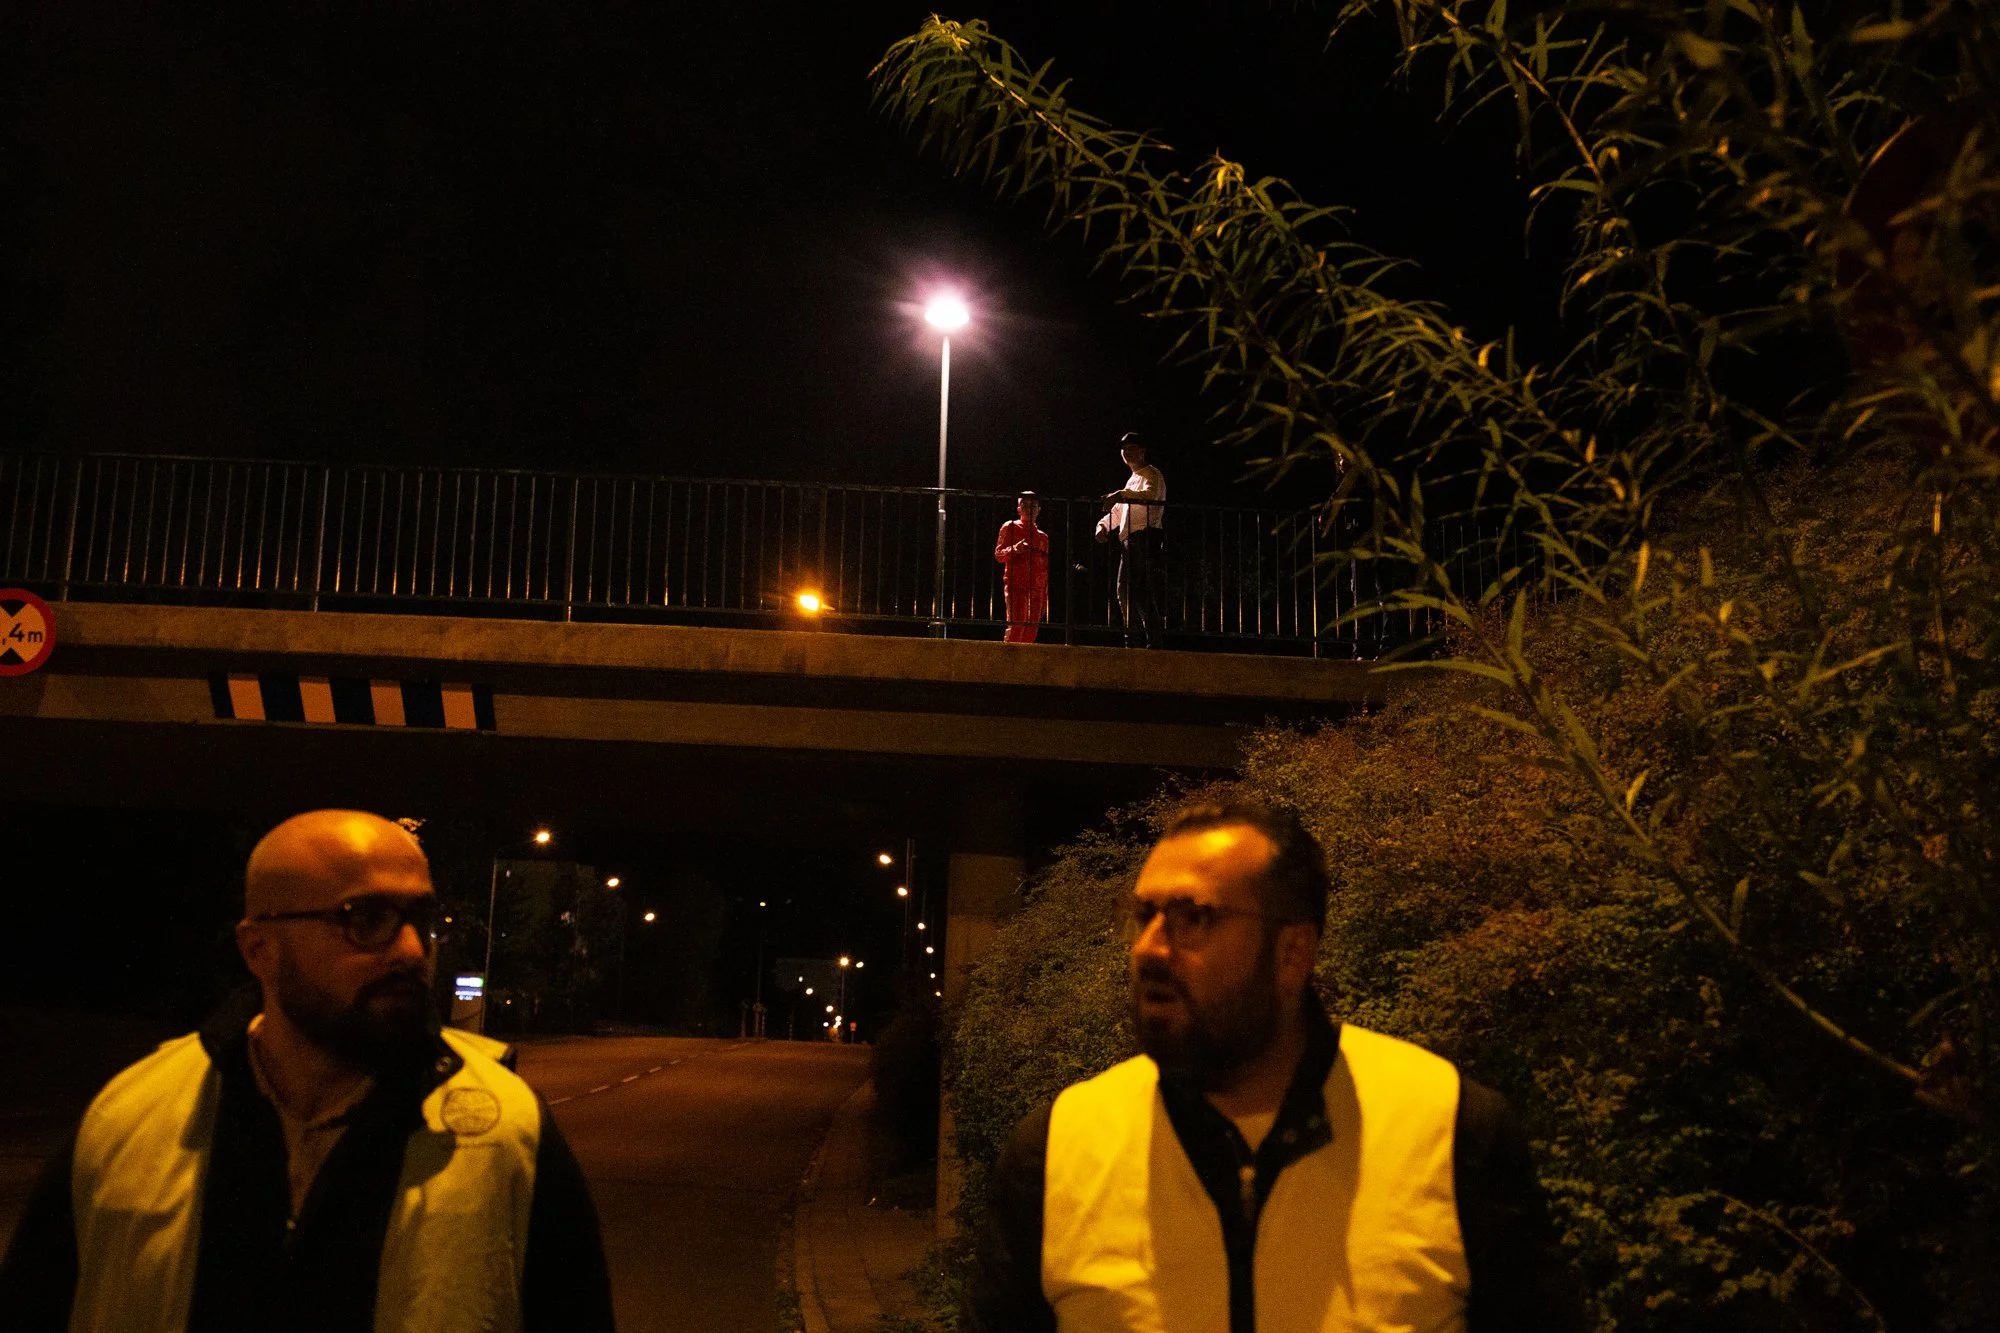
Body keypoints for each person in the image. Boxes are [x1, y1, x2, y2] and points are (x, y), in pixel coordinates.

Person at [967, 800, 1581, 1333]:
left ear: (1292, 953)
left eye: (1193, 917)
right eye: (1145, 915)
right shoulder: (1057, 1149)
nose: (1150, 947)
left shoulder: (1448, 1131)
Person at [0, 809, 615, 1333]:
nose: (411, 952)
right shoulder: (129, 1118)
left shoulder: (508, 1131)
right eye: (364, 918)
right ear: (259, 949)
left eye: (421, 921)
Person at [1100, 431, 1166, 648]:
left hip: (1143, 537)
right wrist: (1102, 526)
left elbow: (1150, 496)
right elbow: (1120, 511)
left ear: (1143, 451)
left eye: (1133, 449)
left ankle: (1134, 638)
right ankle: (1152, 640)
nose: (1128, 453)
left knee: (1126, 588)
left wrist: (1120, 494)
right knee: (1140, 591)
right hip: (1133, 539)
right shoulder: (1133, 479)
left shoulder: (1152, 474)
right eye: (1125, 450)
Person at [994, 490, 1051, 643]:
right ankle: (1010, 663)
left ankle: (1022, 664)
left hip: (1037, 589)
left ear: (1039, 509)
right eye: (1024, 505)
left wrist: (1044, 596)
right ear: (1018, 509)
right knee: (1016, 626)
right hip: (1016, 585)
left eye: (1033, 506)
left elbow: (1044, 569)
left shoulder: (1043, 537)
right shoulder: (1010, 527)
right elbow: (999, 555)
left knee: (1032, 629)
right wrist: (1014, 549)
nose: (1029, 509)